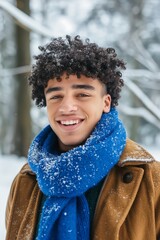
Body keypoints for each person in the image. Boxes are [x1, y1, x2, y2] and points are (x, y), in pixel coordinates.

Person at [5, 35, 160, 240]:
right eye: (56, 96)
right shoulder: (26, 181)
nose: (67, 107)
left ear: (106, 103)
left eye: (82, 94)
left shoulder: (150, 178)